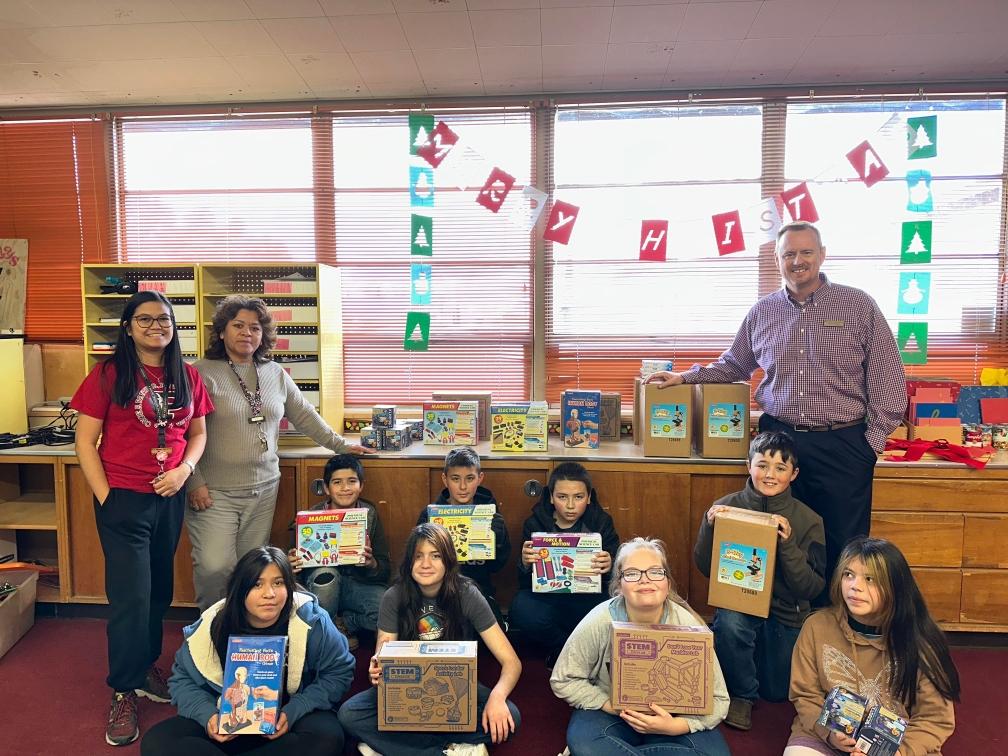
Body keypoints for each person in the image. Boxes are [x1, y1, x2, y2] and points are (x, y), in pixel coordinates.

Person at [649, 221, 907, 600]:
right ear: (777, 260)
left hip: (843, 445)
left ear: (822, 255)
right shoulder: (762, 312)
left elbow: (888, 377)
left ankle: (835, 621)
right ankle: (781, 622)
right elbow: (734, 364)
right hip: (779, 445)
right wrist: (685, 377)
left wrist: (871, 441)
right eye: (789, 254)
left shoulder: (858, 305)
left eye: (806, 252)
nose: (798, 261)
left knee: (843, 542)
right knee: (772, 534)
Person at [72, 290, 214, 747]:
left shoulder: (187, 376)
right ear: (129, 326)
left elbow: (198, 433)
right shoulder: (109, 374)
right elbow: (84, 442)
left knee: (158, 589)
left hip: (168, 496)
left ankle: (146, 664)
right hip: (123, 499)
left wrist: (184, 471)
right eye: (146, 319)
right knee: (130, 595)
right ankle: (122, 690)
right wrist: (107, 498)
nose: (157, 326)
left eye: (166, 319)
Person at [186, 294, 374, 611]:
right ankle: (213, 633)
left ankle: (245, 633)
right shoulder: (200, 374)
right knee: (214, 567)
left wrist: (342, 445)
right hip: (214, 492)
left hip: (263, 489)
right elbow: (183, 432)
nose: (247, 333)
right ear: (221, 331)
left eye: (255, 327)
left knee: (252, 570)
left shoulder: (274, 372)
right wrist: (195, 482)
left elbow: (304, 415)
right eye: (238, 325)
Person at [141, 546, 355, 756]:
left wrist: (296, 709)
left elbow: (338, 671)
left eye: (278, 583)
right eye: (257, 585)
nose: (269, 594)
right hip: (228, 724)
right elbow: (182, 681)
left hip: (288, 723)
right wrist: (208, 717)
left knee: (328, 737)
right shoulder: (212, 624)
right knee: (157, 743)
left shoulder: (311, 619)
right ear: (240, 588)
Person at [338, 523, 522, 756]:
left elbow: (512, 662)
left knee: (510, 717)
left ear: (448, 560)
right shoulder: (394, 596)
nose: (426, 564)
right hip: (405, 689)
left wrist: (497, 697)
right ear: (409, 562)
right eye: (418, 556)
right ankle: (445, 750)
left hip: (455, 689)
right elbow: (381, 655)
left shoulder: (467, 594)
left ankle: (395, 746)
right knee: (349, 715)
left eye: (435, 556)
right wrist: (377, 668)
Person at [693, 430, 826, 730]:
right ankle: (741, 694)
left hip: (786, 611)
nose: (770, 474)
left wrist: (788, 544)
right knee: (730, 625)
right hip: (739, 606)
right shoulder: (727, 506)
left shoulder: (808, 520)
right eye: (762, 465)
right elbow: (704, 567)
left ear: (794, 474)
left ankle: (753, 670)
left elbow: (812, 587)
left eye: (781, 468)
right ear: (748, 465)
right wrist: (710, 526)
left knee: (777, 692)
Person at [550, 537, 731, 756]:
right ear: (619, 585)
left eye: (655, 572)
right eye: (633, 573)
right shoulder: (599, 620)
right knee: (586, 744)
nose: (645, 580)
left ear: (667, 583)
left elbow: (719, 699)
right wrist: (610, 705)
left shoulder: (688, 624)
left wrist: (676, 726)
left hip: (672, 717)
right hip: (613, 714)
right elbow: (563, 678)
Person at [785, 537, 959, 755]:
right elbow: (805, 695)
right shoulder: (816, 625)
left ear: (895, 587)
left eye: (869, 579)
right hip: (825, 732)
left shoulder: (920, 639)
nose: (855, 586)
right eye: (848, 574)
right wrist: (830, 735)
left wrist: (899, 752)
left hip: (894, 744)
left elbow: (935, 719)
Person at [509, 462, 620, 664]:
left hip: (586, 598)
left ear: (588, 498)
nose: (570, 505)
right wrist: (525, 563)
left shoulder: (601, 522)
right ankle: (564, 648)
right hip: (548, 600)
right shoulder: (535, 524)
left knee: (613, 611)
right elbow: (524, 584)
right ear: (551, 497)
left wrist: (610, 563)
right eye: (562, 497)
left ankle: (571, 650)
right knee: (521, 609)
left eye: (578, 497)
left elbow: (617, 577)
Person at [288, 453, 390, 651]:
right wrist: (292, 564)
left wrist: (372, 564)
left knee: (388, 608)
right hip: (321, 586)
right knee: (327, 577)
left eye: (352, 481)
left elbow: (385, 568)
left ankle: (343, 624)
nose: (345, 488)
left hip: (357, 586)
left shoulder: (370, 515)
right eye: (337, 482)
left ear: (361, 485)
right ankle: (327, 636)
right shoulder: (311, 518)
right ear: (327, 488)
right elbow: (296, 573)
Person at [415, 447, 511, 628]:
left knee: (488, 637)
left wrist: (499, 539)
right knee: (432, 631)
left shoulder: (490, 513)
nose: (463, 487)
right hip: (438, 591)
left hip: (479, 589)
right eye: (455, 479)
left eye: (470, 479)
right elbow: (417, 562)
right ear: (445, 479)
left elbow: (498, 566)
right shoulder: (429, 515)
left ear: (480, 478)